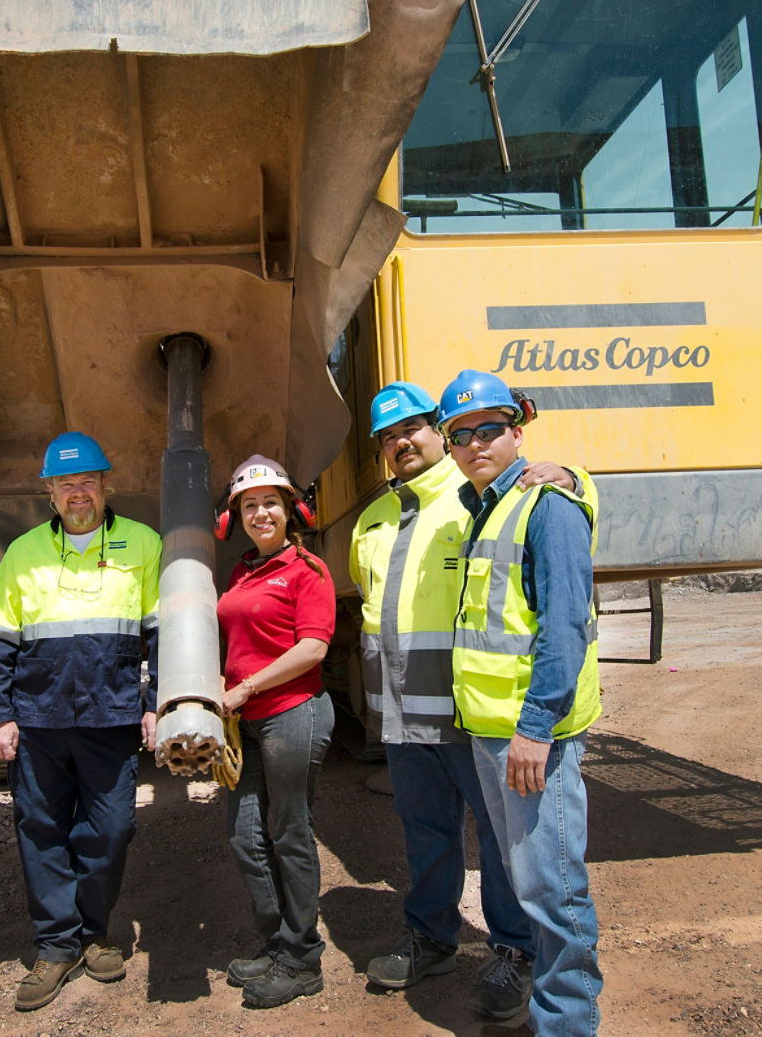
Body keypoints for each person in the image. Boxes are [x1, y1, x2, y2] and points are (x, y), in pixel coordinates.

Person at [351, 381, 584, 1020]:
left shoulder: (476, 500)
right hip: (403, 716)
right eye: (388, 438)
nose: (402, 443)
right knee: (424, 834)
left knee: (502, 838)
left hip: (465, 708)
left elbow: (556, 514)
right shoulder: (373, 518)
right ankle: (431, 936)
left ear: (437, 431)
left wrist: (573, 476)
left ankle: (513, 951)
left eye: (415, 429)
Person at [437, 370, 603, 1035]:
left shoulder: (547, 506)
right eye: (460, 434)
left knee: (553, 889)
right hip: (489, 732)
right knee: (526, 879)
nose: (475, 443)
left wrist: (537, 727)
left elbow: (565, 627)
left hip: (531, 738)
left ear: (517, 432)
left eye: (489, 429)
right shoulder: (484, 510)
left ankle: (567, 1022)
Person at [0, 432, 160, 1012]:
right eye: (65, 485)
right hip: (39, 720)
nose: (77, 494)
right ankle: (57, 944)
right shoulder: (23, 552)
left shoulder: (143, 544)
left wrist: (157, 701)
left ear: (105, 485)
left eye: (87, 482)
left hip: (112, 718)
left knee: (110, 830)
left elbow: (160, 631)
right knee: (41, 829)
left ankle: (94, 929)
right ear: (49, 493)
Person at [214, 455, 337, 1009]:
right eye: (249, 505)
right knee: (246, 835)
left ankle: (302, 957)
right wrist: (221, 686)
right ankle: (276, 941)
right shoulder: (243, 570)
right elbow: (238, 645)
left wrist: (244, 689)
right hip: (248, 719)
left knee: (288, 831)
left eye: (270, 503)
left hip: (292, 712)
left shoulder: (307, 570)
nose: (260, 512)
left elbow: (312, 648)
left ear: (291, 510)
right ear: (235, 515)